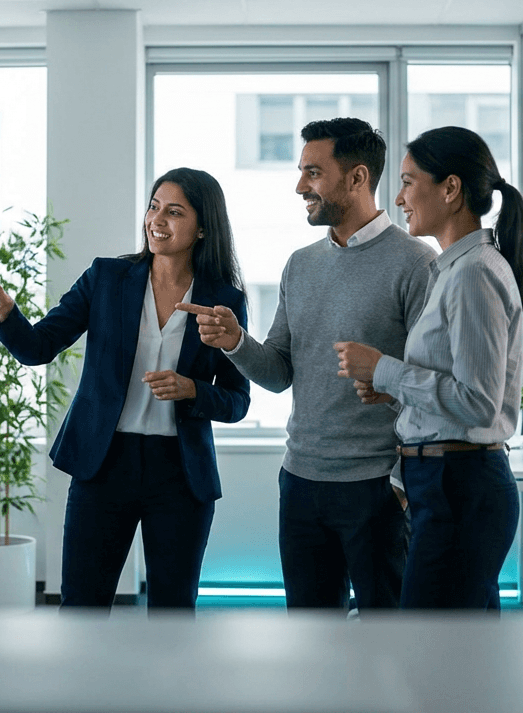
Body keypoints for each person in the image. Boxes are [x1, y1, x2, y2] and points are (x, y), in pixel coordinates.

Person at [0, 167, 250, 611]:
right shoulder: (106, 278)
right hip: (103, 463)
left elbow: (237, 401)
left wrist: (192, 390)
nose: (157, 219)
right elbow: (39, 347)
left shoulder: (224, 301)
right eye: (154, 206)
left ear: (203, 228)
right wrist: (6, 312)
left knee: (174, 610)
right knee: (82, 605)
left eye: (174, 212)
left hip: (179, 474)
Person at [183, 118, 437, 613]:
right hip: (300, 481)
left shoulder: (416, 264)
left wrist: (401, 487)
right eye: (302, 172)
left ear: (358, 178)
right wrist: (236, 342)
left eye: (314, 173)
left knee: (392, 643)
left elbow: (431, 382)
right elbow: (278, 373)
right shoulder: (300, 264)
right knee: (309, 640)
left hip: (378, 487)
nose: (300, 186)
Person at [334, 125, 523, 611]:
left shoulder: (472, 275)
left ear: (450, 189)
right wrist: (398, 393)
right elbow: (460, 386)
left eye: (408, 182)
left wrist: (384, 369)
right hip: (447, 484)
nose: (399, 197)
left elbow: (477, 401)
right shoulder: (455, 269)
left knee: (432, 659)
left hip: (460, 487)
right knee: (457, 658)